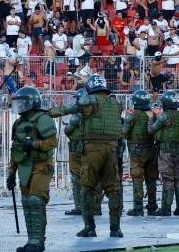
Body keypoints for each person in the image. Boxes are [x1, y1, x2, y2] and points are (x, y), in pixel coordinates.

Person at [49, 74, 124, 238]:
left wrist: (46, 113)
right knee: (113, 190)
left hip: (92, 150)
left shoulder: (89, 100)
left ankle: (89, 227)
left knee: (87, 189)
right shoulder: (116, 103)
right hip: (112, 149)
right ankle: (115, 229)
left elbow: (67, 109)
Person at [6, 87, 58, 252]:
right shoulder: (19, 123)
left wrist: (34, 144)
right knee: (27, 202)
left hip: (41, 164)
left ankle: (38, 241)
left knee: (36, 201)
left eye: (22, 102)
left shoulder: (43, 119)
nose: (19, 105)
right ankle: (31, 239)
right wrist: (11, 173)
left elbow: (52, 143)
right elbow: (15, 149)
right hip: (24, 166)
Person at [149, 90, 179, 216]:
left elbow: (151, 130)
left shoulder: (164, 116)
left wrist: (151, 118)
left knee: (168, 179)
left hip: (166, 151)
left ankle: (166, 208)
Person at [122, 90, 158, 216]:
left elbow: (125, 133)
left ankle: (138, 207)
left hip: (136, 150)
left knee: (137, 177)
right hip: (151, 149)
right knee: (151, 179)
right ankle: (152, 206)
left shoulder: (131, 114)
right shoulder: (153, 113)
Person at [63, 111, 85, 216]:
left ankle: (80, 207)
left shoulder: (76, 118)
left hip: (76, 154)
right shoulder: (95, 114)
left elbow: (67, 131)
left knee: (76, 180)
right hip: (91, 152)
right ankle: (94, 206)